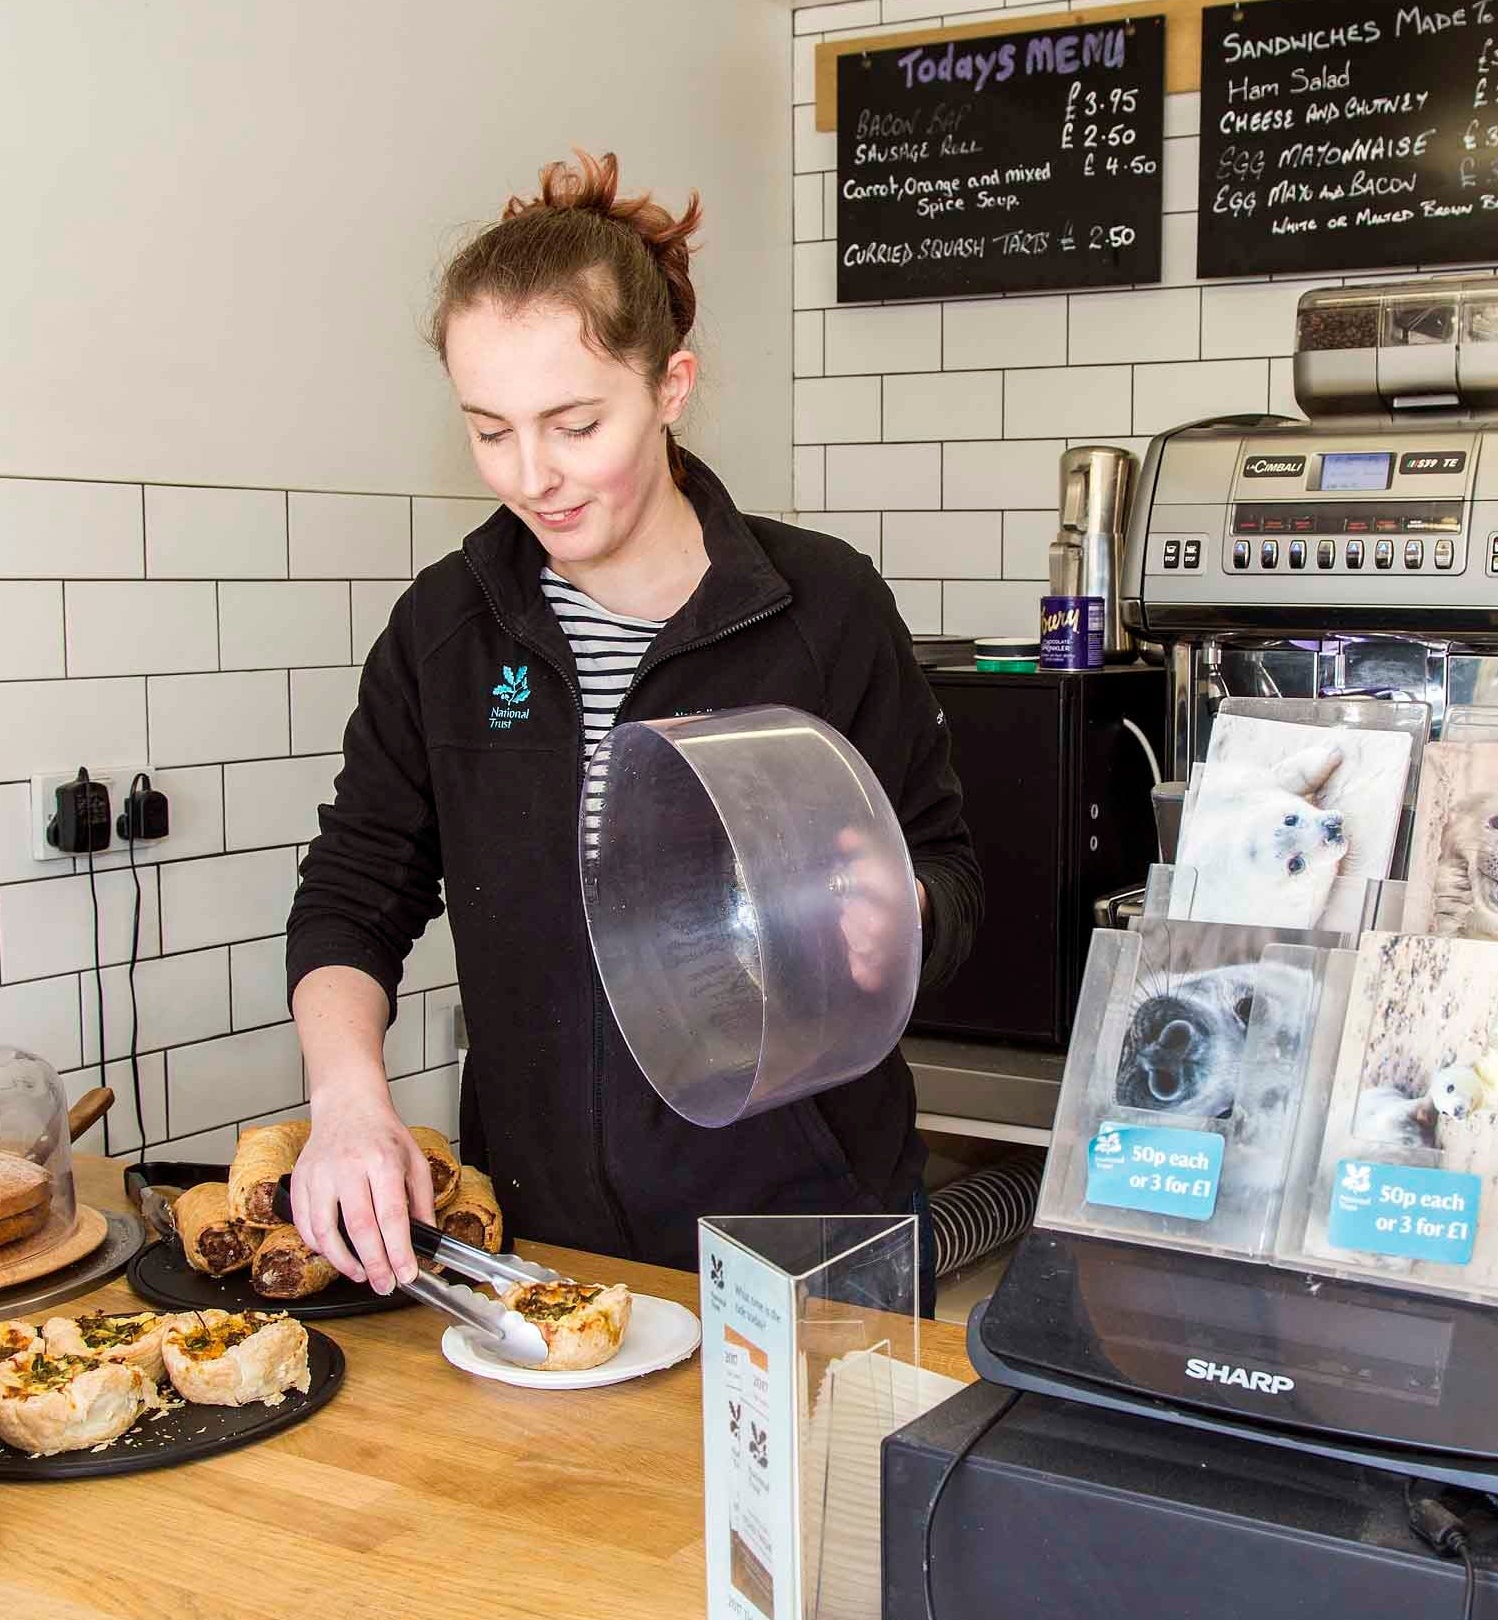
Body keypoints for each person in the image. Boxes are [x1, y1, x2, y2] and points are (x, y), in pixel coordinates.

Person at [283, 151, 980, 1293]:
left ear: (671, 385)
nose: (533, 477)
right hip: (537, 1228)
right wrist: (349, 1103)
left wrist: (896, 915)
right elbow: (354, 893)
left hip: (805, 1224)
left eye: (573, 424)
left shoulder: (823, 608)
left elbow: (949, 872)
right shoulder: (447, 630)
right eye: (490, 430)